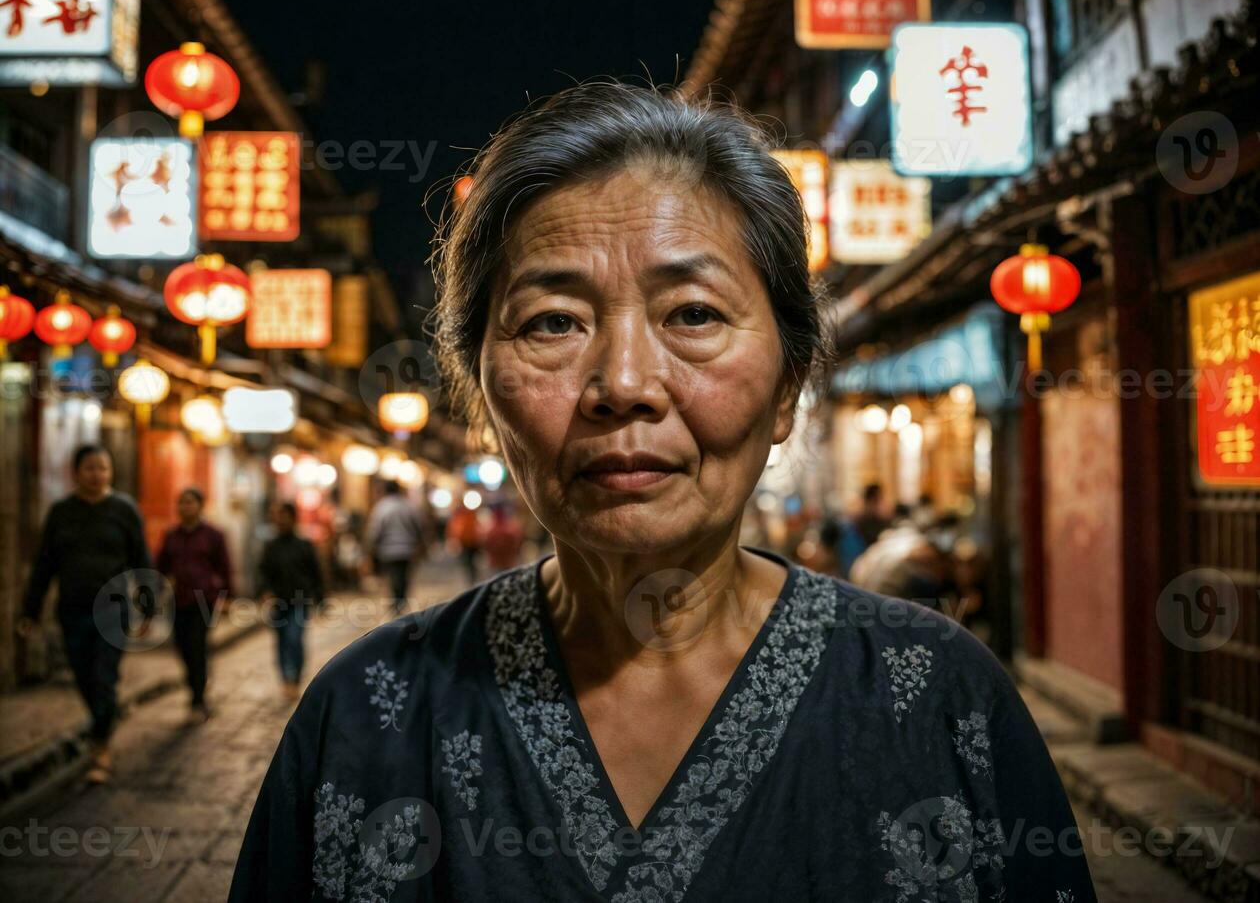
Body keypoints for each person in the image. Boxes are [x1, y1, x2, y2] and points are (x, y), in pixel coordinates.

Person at [231, 83, 1097, 901]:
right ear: (480, 392)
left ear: (789, 386)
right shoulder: (367, 719)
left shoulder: (941, 704)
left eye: (693, 315)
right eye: (553, 323)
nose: (624, 383)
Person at [18, 444, 158, 784]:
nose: (97, 474)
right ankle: (101, 727)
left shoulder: (124, 510)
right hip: (73, 610)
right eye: (90, 468)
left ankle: (101, 747)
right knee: (83, 676)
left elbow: (141, 559)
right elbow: (44, 565)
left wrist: (148, 605)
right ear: (76, 472)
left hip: (113, 611)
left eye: (103, 468)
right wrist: (30, 611)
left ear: (110, 473)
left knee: (103, 676)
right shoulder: (61, 512)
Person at [154, 487, 233, 724]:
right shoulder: (171, 535)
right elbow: (160, 567)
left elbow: (225, 567)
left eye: (190, 503)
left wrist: (228, 597)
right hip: (178, 600)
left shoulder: (213, 535)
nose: (185, 507)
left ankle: (197, 701)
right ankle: (196, 687)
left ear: (200, 506)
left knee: (197, 646)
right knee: (182, 646)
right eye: (182, 503)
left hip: (204, 601)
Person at [257, 501, 324, 701]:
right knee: (281, 642)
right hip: (278, 603)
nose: (280, 520)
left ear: (292, 518)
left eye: (283, 515)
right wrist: (265, 591)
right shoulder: (270, 547)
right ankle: (286, 679)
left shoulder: (304, 545)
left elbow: (316, 573)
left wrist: (320, 597)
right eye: (276, 516)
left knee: (295, 639)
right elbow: (263, 572)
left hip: (299, 601)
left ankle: (294, 678)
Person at [365, 480, 427, 612]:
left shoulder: (382, 507)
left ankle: (396, 600)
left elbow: (375, 529)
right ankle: (401, 599)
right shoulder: (408, 506)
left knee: (393, 574)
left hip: (388, 548)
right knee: (404, 574)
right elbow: (418, 526)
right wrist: (420, 543)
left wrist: (371, 545)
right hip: (407, 547)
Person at [445, 499, 482, 586]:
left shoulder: (467, 516)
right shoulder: (466, 516)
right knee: (469, 562)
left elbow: (456, 530)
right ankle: (471, 578)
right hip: (468, 543)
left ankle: (472, 578)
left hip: (470, 543)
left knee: (469, 562)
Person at [483, 500, 524, 572]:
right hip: (508, 561)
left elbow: (486, 543)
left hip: (496, 561)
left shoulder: (490, 528)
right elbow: (517, 541)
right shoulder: (511, 526)